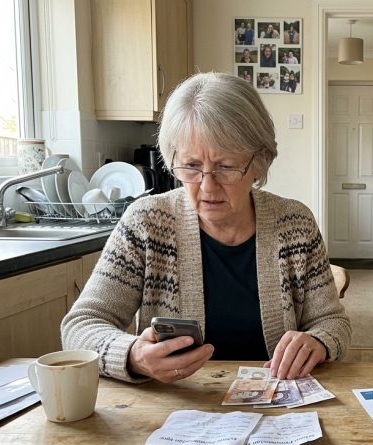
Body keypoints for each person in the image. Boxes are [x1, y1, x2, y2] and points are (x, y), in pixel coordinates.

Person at [61, 72, 351, 384]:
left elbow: (333, 322)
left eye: (226, 167)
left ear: (259, 162)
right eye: (191, 166)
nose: (207, 185)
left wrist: (319, 342)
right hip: (177, 411)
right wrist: (133, 354)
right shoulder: (145, 223)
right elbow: (81, 325)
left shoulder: (295, 224)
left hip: (279, 408)